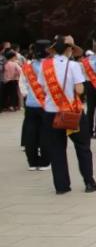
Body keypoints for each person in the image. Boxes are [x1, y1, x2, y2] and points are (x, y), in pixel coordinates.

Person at [39, 36, 96, 195]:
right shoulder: (73, 65)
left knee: (57, 149)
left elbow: (43, 87)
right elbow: (80, 90)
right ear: (68, 50)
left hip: (51, 111)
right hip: (72, 112)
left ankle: (61, 186)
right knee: (82, 147)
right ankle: (89, 182)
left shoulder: (44, 66)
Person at [19, 40, 50, 170]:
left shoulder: (27, 66)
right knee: (45, 133)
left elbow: (22, 84)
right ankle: (44, 162)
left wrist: (29, 95)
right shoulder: (50, 66)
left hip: (31, 104)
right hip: (47, 105)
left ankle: (32, 162)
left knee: (30, 133)